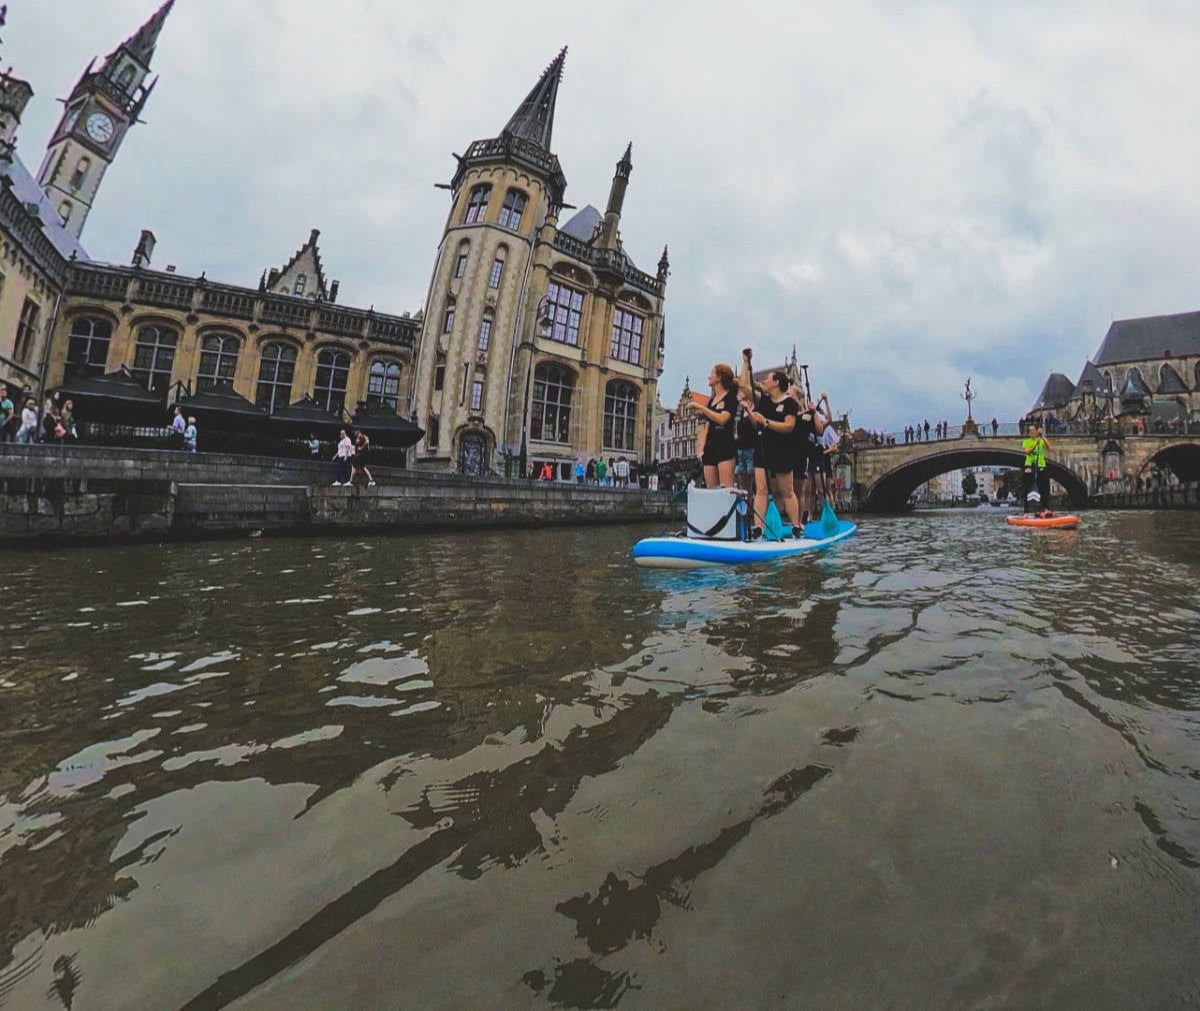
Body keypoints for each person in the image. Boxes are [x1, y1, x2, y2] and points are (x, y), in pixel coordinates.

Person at [739, 352, 801, 539]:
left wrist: (765, 421)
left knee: (787, 491)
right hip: (763, 449)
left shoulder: (790, 403)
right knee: (761, 489)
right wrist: (746, 362)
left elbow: (789, 426)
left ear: (776, 383)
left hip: (782, 450)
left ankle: (796, 525)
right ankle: (758, 527)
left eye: (767, 380)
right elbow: (744, 386)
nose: (764, 381)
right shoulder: (763, 400)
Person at [690, 362, 738, 489]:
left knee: (725, 488)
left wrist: (701, 407)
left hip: (725, 446)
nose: (709, 376)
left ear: (719, 377)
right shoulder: (712, 400)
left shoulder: (730, 398)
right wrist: (701, 448)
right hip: (711, 447)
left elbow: (723, 419)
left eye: (712, 373)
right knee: (711, 489)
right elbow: (706, 426)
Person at [1021, 426, 1052, 514]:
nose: (1032, 432)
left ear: (1036, 431)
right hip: (1030, 466)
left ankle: (1045, 509)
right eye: (1030, 431)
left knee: (1044, 488)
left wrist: (1042, 436)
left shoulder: (1041, 440)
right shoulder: (1026, 442)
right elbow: (1027, 451)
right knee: (1027, 487)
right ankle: (1026, 511)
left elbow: (1049, 447)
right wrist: (1035, 444)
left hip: (1041, 465)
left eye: (1033, 430)